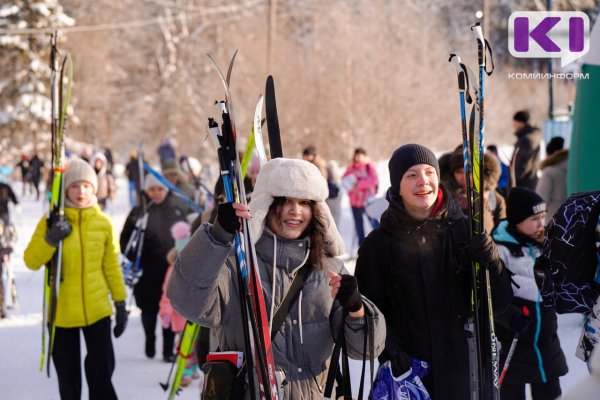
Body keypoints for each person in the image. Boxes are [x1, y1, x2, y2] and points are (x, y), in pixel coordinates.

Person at [167, 158, 386, 398]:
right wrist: (217, 237)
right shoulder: (235, 263)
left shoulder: (329, 268)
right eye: (285, 201)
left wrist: (356, 309)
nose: (295, 211)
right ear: (266, 205)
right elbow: (186, 301)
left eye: (304, 202)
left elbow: (365, 350)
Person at [354, 143, 513, 400]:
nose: (423, 181)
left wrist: (493, 263)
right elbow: (371, 309)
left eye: (429, 172)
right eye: (412, 175)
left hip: (465, 375)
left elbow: (501, 303)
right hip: (411, 378)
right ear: (397, 184)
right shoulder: (378, 245)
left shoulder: (465, 232)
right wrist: (390, 350)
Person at [23, 158, 127, 400]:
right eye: (74, 186)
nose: (81, 191)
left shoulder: (103, 223)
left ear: (95, 188)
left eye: (87, 186)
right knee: (69, 381)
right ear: (65, 188)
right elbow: (31, 261)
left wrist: (120, 303)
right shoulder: (51, 222)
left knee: (101, 374)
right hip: (62, 312)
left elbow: (111, 266)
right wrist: (50, 239)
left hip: (98, 310)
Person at [492, 187, 568, 399]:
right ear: (517, 221)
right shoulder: (500, 250)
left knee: (550, 393)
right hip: (514, 343)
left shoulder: (546, 244)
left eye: (543, 217)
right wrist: (511, 317)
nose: (541, 224)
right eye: (534, 218)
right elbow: (494, 297)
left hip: (546, 341)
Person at [120, 174, 186, 362]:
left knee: (169, 310)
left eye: (160, 189)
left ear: (166, 190)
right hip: (146, 271)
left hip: (170, 270)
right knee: (148, 311)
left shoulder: (175, 210)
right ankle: (150, 337)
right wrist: (133, 256)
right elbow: (124, 238)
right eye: (152, 190)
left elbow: (185, 236)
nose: (156, 193)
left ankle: (167, 350)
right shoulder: (138, 212)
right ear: (146, 191)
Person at [444, 148, 507, 234]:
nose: (464, 176)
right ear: (452, 173)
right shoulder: (444, 197)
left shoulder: (493, 198)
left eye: (469, 171)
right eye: (458, 171)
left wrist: (481, 206)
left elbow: (501, 231)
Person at [342, 147, 379, 245]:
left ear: (364, 155)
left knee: (374, 223)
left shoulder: (369, 166)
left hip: (367, 200)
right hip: (354, 201)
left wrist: (359, 184)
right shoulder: (351, 167)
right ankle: (362, 248)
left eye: (360, 155)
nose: (358, 157)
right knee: (359, 227)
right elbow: (344, 179)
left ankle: (382, 243)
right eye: (356, 155)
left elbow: (374, 180)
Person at [536, 137, 568, 217]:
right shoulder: (572, 168)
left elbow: (541, 199)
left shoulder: (549, 172)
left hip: (552, 219)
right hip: (569, 218)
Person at [511, 110, 541, 190]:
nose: (513, 126)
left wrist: (513, 179)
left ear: (521, 122)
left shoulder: (526, 140)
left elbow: (522, 165)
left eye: (515, 123)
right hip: (529, 183)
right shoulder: (532, 137)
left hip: (523, 185)